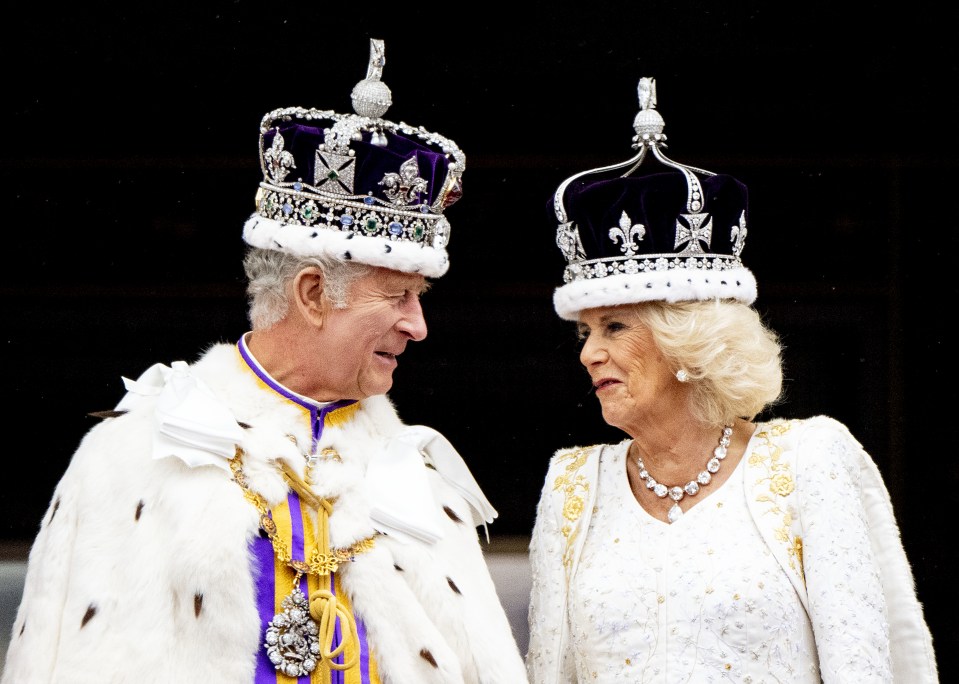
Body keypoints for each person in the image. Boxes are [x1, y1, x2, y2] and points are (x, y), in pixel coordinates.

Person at [1, 39, 528, 684]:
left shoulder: (415, 477)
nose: (418, 326)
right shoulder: (134, 456)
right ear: (312, 295)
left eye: (418, 298)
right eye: (397, 297)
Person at [525, 76, 938, 683]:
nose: (590, 354)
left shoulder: (807, 462)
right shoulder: (572, 485)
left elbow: (864, 665)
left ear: (688, 342)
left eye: (614, 327)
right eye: (586, 332)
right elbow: (549, 673)